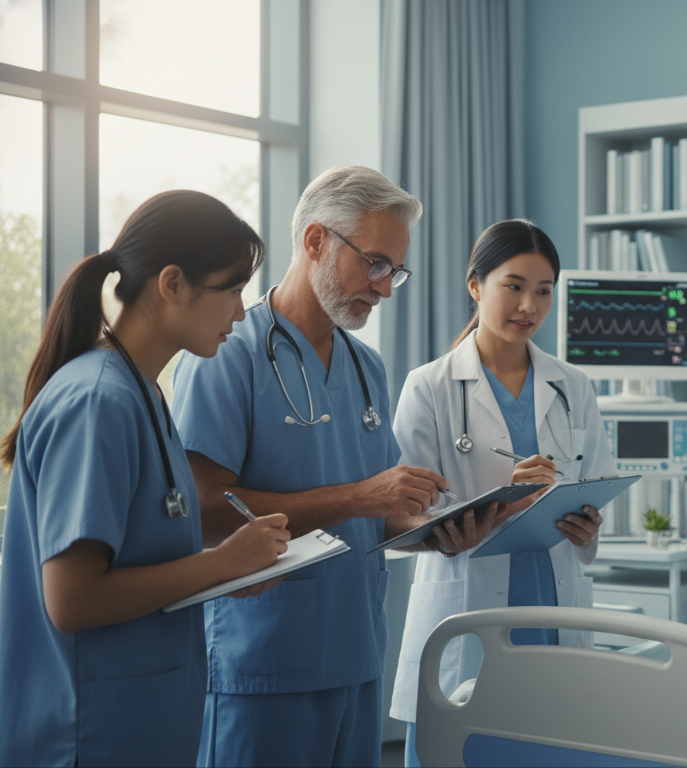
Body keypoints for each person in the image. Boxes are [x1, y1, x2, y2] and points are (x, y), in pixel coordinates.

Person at [172, 167, 491, 768]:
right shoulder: (227, 354)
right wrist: (359, 498)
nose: (385, 287)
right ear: (315, 241)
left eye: (394, 270)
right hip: (262, 663)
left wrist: (444, 535)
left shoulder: (366, 367)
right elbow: (205, 511)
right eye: (374, 263)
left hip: (357, 658)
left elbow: (380, 515)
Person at [0, 191, 291, 767]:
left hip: (142, 723)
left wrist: (229, 570)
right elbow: (72, 599)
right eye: (231, 289)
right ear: (173, 283)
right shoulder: (97, 401)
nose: (241, 312)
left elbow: (141, 554)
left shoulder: (143, 393)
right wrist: (224, 563)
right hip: (85, 735)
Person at [387, 219, 617, 766]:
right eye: (513, 286)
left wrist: (587, 527)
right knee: (462, 750)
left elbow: (596, 487)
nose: (528, 306)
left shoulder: (573, 386)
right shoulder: (430, 386)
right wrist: (498, 501)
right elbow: (405, 511)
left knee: (548, 750)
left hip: (551, 601)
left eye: (543, 291)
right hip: (467, 604)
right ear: (476, 285)